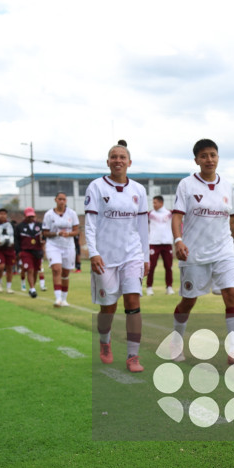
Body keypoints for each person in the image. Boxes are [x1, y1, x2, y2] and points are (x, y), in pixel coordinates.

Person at [170, 139, 234, 364]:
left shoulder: (227, 186)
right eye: (204, 156)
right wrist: (178, 240)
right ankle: (176, 344)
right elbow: (176, 216)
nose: (209, 160)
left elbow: (233, 221)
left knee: (231, 294)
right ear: (196, 160)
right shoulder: (186, 185)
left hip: (224, 251)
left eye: (213, 155)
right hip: (194, 254)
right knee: (188, 301)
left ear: (218, 157)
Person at [85, 140, 150, 373]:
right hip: (104, 258)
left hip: (131, 254)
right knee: (108, 309)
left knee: (133, 303)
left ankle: (133, 356)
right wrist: (93, 253)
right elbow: (90, 224)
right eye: (114, 157)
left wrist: (146, 257)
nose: (118, 160)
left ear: (129, 162)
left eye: (122, 157)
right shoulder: (96, 187)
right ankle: (105, 342)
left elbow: (143, 226)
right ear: (108, 162)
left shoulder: (139, 190)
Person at [42, 192, 80, 307]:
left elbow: (76, 230)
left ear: (66, 201)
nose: (62, 201)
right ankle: (57, 298)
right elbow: (45, 232)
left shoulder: (72, 213)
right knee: (56, 269)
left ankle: (64, 299)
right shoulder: (49, 214)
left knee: (65, 273)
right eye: (59, 199)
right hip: (53, 245)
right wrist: (57, 233)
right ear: (55, 200)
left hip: (68, 246)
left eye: (64, 199)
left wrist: (68, 234)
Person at [147, 195, 174, 295]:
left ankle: (169, 287)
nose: (153, 204)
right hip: (154, 243)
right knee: (151, 266)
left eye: (155, 202)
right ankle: (149, 287)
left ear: (161, 203)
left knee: (168, 266)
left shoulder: (170, 213)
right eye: (153, 202)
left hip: (167, 243)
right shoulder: (150, 214)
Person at [14, 207, 44, 298]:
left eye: (32, 216)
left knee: (35, 271)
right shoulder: (19, 227)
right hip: (26, 251)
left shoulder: (40, 225)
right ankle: (32, 288)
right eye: (29, 216)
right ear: (25, 216)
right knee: (29, 269)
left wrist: (43, 243)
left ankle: (32, 288)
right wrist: (18, 251)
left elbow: (44, 237)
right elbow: (16, 240)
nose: (31, 218)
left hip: (37, 251)